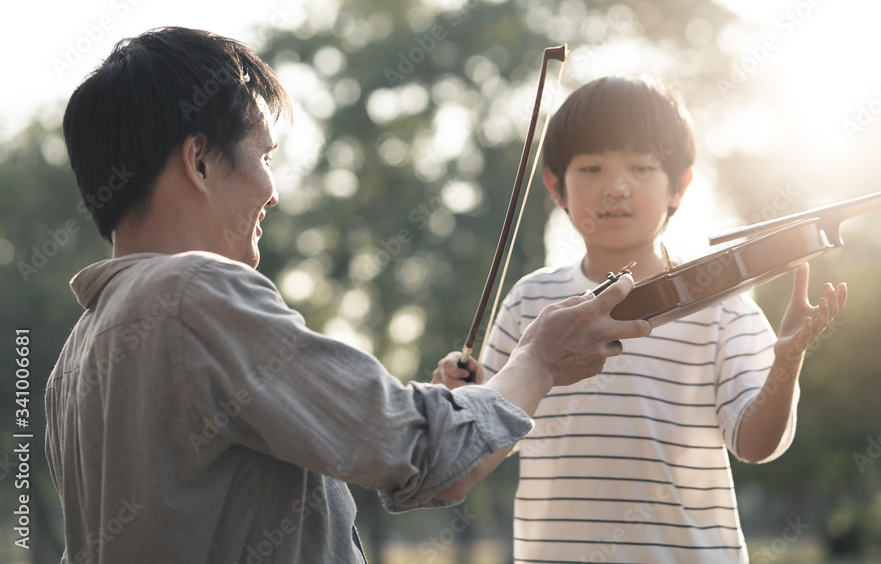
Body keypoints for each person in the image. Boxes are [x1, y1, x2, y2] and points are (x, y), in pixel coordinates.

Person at [44, 27, 652, 564]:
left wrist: (458, 409)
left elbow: (431, 463)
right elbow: (425, 450)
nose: (272, 190)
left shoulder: (74, 359)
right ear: (199, 160)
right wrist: (539, 359)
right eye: (265, 155)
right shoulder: (195, 293)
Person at [437, 75, 848, 563]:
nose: (616, 187)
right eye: (591, 168)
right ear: (555, 186)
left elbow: (755, 444)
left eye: (641, 167)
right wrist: (457, 395)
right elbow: (481, 446)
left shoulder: (722, 305)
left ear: (680, 186)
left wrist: (785, 363)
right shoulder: (532, 301)